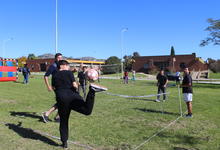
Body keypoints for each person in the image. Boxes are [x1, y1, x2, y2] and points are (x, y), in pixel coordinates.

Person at [52, 60, 107, 148]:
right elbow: (75, 85)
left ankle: (64, 143)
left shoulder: (54, 75)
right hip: (72, 96)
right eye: (68, 66)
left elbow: (54, 88)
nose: (68, 67)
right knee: (87, 111)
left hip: (62, 99)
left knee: (63, 122)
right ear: (63, 65)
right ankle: (92, 91)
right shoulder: (69, 73)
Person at [42, 53, 63, 123]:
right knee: (61, 102)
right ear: (55, 58)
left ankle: (57, 117)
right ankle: (47, 114)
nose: (60, 59)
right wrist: (48, 86)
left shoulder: (61, 66)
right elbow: (46, 76)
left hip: (62, 87)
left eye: (61, 58)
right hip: (56, 87)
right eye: (58, 58)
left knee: (62, 102)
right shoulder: (53, 66)